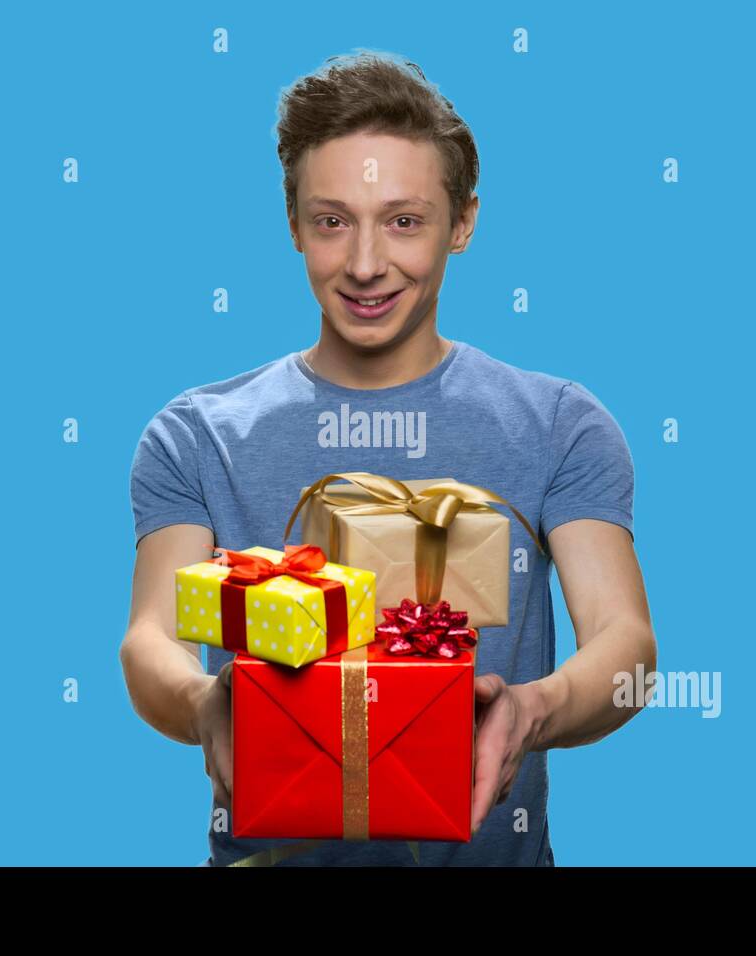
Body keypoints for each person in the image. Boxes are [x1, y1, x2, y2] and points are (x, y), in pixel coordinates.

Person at [121, 50, 656, 866]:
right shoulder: (197, 433)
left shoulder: (558, 423)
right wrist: (204, 705)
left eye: (404, 220)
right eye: (332, 220)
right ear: (294, 224)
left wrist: (534, 709)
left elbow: (628, 646)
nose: (366, 264)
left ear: (464, 222)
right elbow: (149, 640)